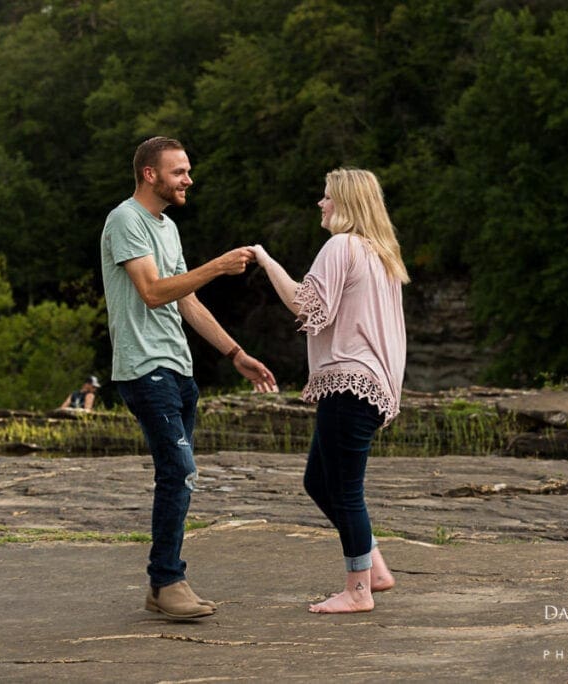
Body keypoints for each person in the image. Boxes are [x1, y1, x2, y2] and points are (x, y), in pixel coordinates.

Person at [101, 136, 278, 620]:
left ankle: (164, 586)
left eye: (188, 171)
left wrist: (234, 352)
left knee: (182, 476)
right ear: (150, 174)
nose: (188, 180)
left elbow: (187, 301)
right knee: (177, 472)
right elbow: (154, 293)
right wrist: (219, 266)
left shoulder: (168, 228)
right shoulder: (125, 220)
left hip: (178, 368)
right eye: (179, 172)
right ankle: (166, 580)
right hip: (145, 367)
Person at [251, 168, 408, 614]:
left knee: (344, 489)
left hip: (350, 382)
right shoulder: (382, 254)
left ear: (346, 203)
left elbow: (306, 304)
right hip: (367, 383)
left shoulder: (342, 245)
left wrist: (266, 260)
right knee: (318, 481)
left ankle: (358, 590)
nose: (321, 204)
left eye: (326, 198)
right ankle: (373, 567)